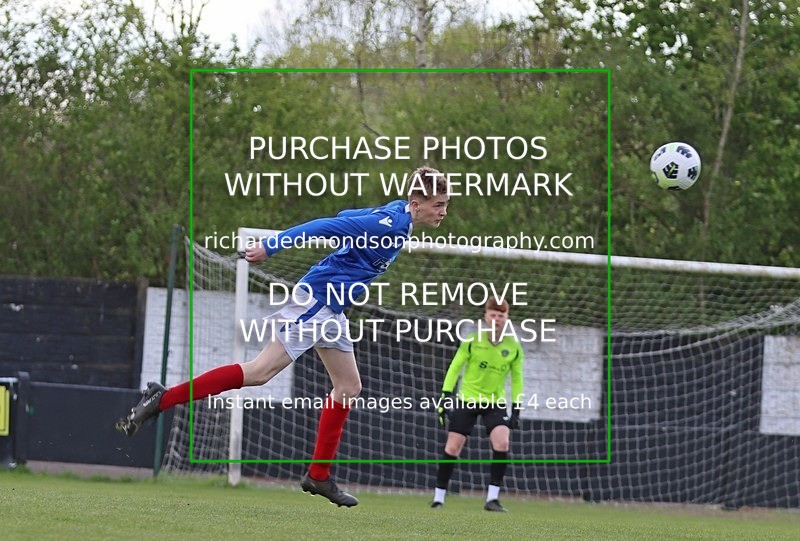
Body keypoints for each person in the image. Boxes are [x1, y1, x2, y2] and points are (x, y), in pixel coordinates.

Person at [116, 165, 450, 507]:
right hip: (317, 301)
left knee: (348, 387)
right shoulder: (390, 223)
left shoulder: (398, 215)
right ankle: (162, 398)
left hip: (332, 309)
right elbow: (327, 225)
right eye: (438, 204)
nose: (443, 211)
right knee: (259, 372)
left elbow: (346, 214)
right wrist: (271, 246)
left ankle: (319, 476)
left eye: (445, 204)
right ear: (417, 201)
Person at [431, 298, 524, 512]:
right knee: (453, 447)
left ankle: (492, 499)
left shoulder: (514, 347)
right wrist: (445, 396)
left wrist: (516, 407)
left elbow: (518, 379)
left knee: (502, 443)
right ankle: (438, 498)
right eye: (493, 314)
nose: (496, 319)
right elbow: (454, 368)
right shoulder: (472, 341)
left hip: (495, 402)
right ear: (486, 316)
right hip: (468, 399)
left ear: (506, 318)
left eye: (501, 315)